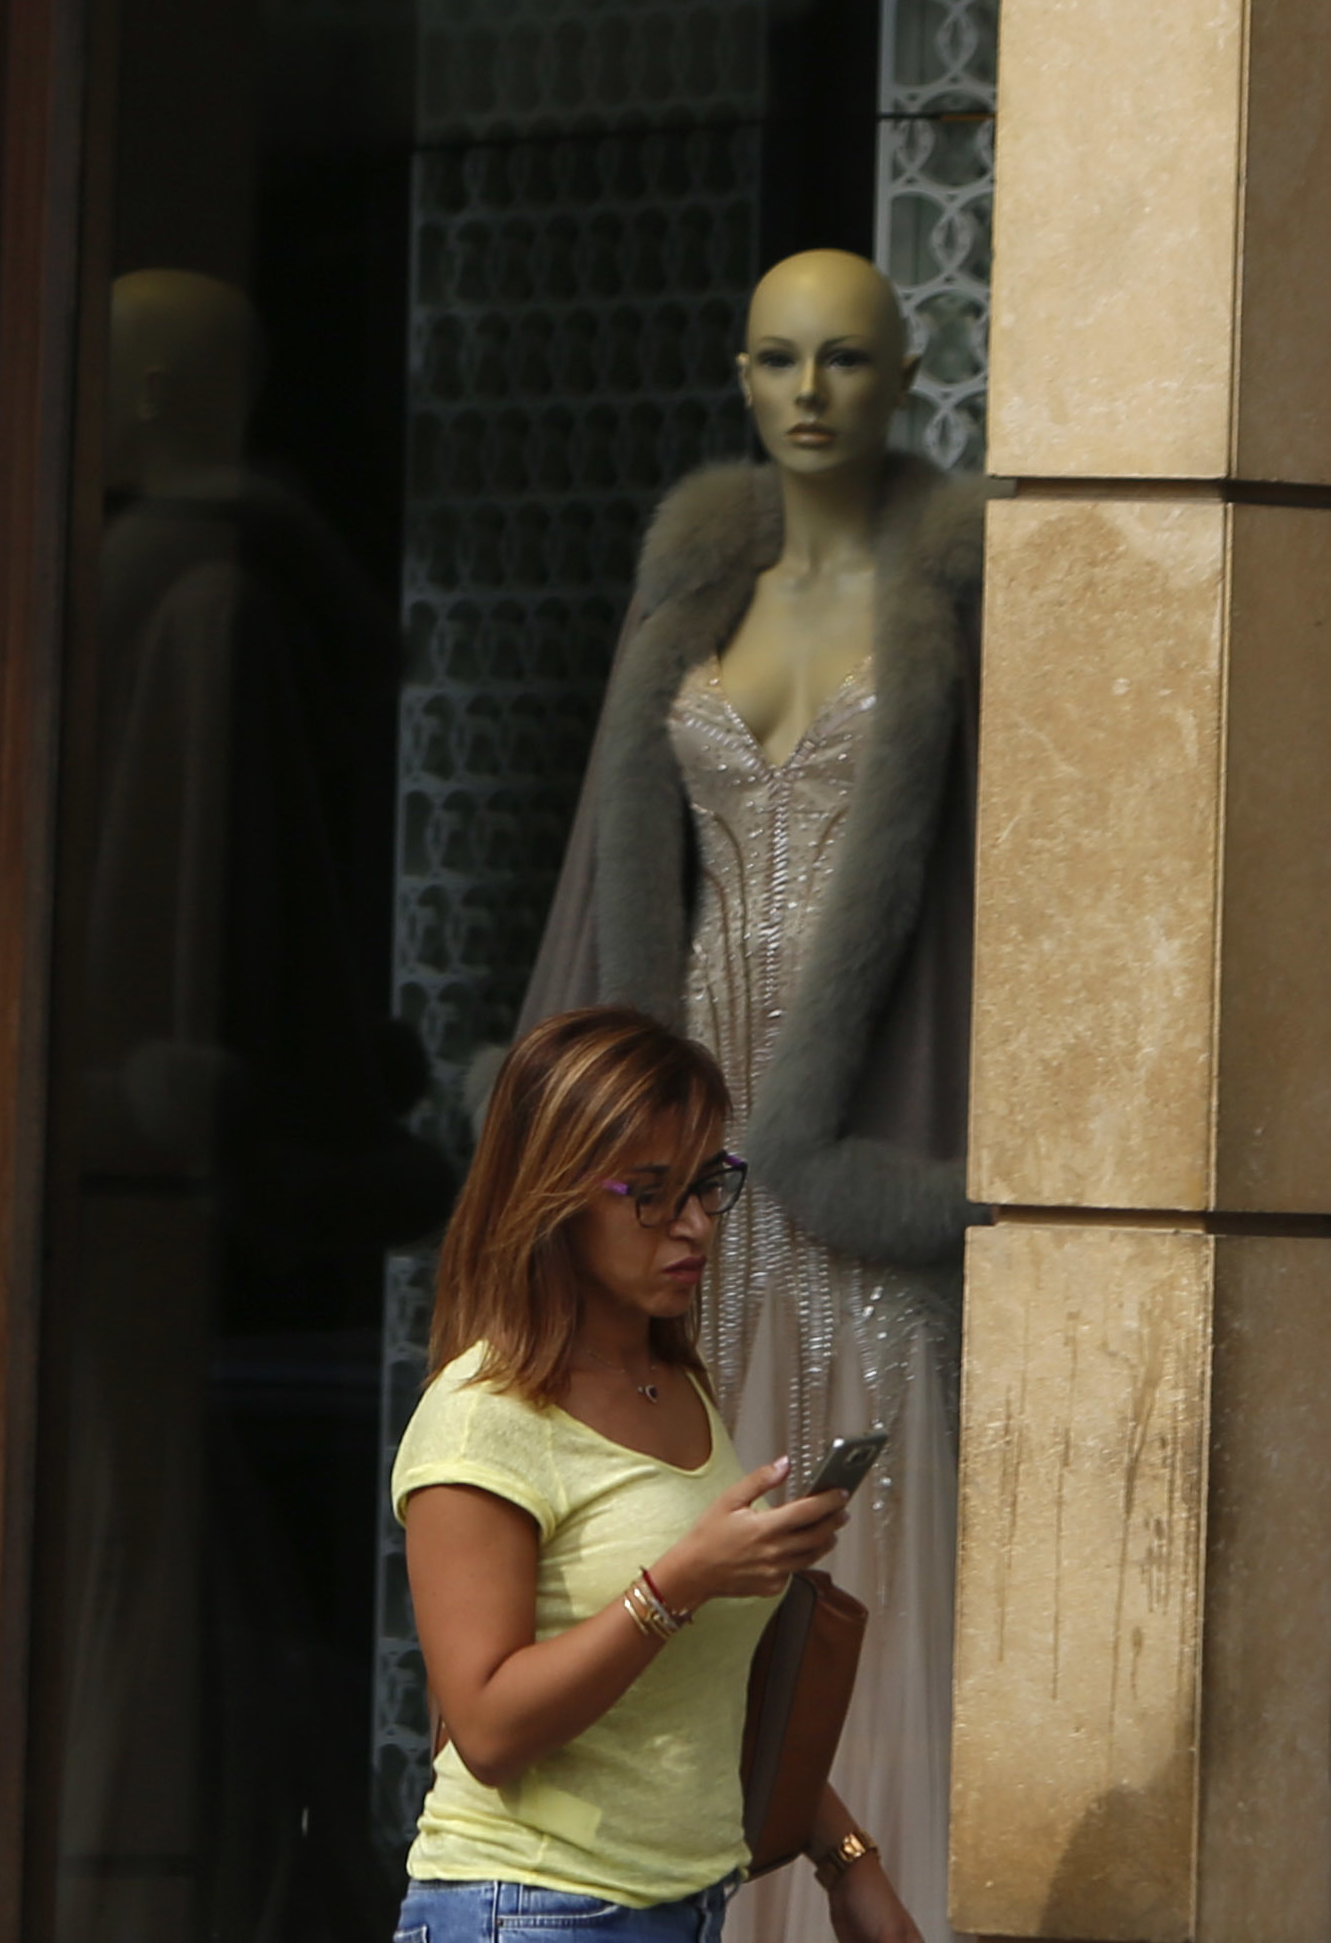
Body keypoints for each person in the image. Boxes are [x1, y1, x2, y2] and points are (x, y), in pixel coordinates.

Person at [513, 251, 984, 1943]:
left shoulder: (951, 607)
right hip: (689, 1115)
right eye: (780, 358)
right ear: (737, 375)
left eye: (846, 359)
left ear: (903, 377)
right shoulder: (688, 609)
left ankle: (867, 1898)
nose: (810, 392)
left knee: (858, 1555)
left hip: (853, 1129)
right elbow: (612, 883)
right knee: (678, 1526)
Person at [394, 1004, 918, 1943]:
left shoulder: (670, 1381)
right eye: (648, 1191)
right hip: (525, 1909)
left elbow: (700, 1688)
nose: (693, 1225)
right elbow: (487, 1729)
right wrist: (680, 1580)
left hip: (686, 1907)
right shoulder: (484, 1415)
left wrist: (847, 1860)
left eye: (708, 1183)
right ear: (551, 1194)